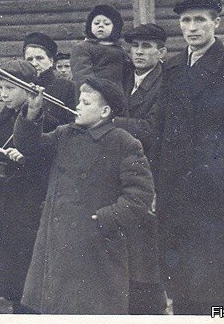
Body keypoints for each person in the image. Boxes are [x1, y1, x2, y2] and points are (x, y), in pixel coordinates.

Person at [156, 0, 224, 315]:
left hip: (214, 187)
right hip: (174, 185)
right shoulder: (172, 67)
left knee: (220, 271)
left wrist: (214, 171)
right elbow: (163, 126)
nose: (192, 27)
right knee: (183, 274)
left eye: (200, 19)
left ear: (216, 23)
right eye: (186, 20)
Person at [12, 77, 154, 314]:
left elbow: (140, 196)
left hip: (97, 249)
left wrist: (104, 219)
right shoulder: (65, 134)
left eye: (86, 103)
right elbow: (29, 146)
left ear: (105, 111)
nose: (77, 106)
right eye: (79, 101)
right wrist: (33, 111)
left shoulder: (124, 143)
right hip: (57, 247)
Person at [0, 60, 51, 313]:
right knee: (12, 275)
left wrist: (23, 158)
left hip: (30, 201)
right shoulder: (4, 116)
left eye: (10, 88)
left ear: (27, 89)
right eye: (1, 88)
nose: (3, 94)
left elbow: (41, 154)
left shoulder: (44, 116)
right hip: (7, 200)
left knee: (28, 272)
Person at [112, 23, 168, 315]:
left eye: (147, 47)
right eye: (135, 46)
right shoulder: (124, 79)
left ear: (161, 52)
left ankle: (151, 309)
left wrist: (109, 122)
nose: (139, 52)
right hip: (122, 168)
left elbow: (150, 129)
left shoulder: (165, 83)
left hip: (151, 170)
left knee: (146, 242)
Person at [22, 32, 76, 131]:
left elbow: (72, 125)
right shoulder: (21, 85)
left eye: (39, 58)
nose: (34, 63)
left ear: (51, 61)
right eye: (29, 59)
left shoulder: (68, 87)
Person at [71, 4, 131, 92]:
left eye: (106, 23)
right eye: (96, 23)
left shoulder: (119, 49)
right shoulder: (83, 48)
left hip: (117, 94)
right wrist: (94, 92)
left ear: (114, 27)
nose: (101, 26)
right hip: (93, 94)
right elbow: (83, 74)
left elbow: (128, 74)